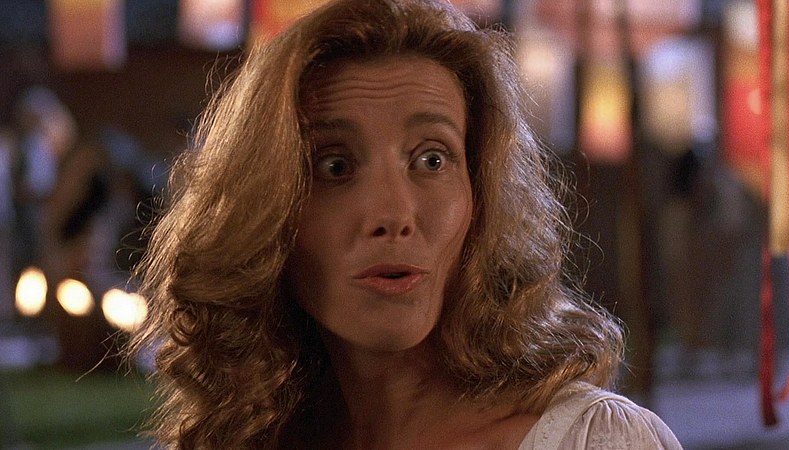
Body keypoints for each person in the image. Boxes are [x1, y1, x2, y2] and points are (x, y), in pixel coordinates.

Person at [129, 0, 682, 448]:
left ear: (481, 198)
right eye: (335, 167)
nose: (392, 216)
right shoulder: (245, 440)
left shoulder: (588, 440)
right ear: (264, 212)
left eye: (431, 160)